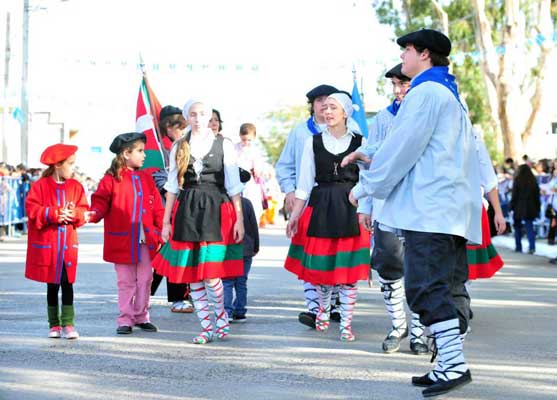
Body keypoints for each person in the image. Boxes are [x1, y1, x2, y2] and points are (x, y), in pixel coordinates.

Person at [347, 29, 481, 396]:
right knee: (445, 286)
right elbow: (419, 151)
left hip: (430, 211)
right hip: (447, 210)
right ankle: (447, 364)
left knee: (424, 286)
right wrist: (372, 160)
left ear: (424, 54)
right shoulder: (448, 94)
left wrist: (364, 188)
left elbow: (402, 151)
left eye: (407, 50)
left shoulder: (425, 94)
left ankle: (453, 364)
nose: (403, 59)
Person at [152, 99, 245, 345]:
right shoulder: (180, 145)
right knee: (193, 275)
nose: (198, 118)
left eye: (203, 114)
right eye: (193, 114)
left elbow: (234, 185)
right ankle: (206, 327)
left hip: (217, 207)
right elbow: (172, 186)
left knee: (212, 274)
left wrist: (240, 219)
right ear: (187, 118)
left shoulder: (223, 144)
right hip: (188, 209)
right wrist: (166, 221)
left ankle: (221, 316)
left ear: (210, 116)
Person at [285, 92, 370, 342]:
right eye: (325, 108)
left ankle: (346, 323)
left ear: (345, 112)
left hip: (350, 208)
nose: (327, 111)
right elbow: (304, 183)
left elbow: (368, 179)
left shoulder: (361, 142)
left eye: (334, 107)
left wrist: (366, 208)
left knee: (349, 274)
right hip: (321, 206)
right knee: (322, 270)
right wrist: (295, 216)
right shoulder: (312, 142)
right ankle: (322, 309)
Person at [356, 63, 428, 355]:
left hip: (421, 207)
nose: (398, 91)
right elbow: (369, 160)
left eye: (404, 84)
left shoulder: (427, 112)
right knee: (389, 267)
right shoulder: (384, 118)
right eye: (395, 85)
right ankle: (398, 325)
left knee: (421, 270)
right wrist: (365, 204)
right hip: (387, 206)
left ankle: (421, 331)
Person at [276, 84, 343, 329]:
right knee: (310, 253)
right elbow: (285, 166)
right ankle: (314, 308)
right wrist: (290, 190)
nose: (325, 106)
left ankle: (333, 304)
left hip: (339, 201)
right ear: (312, 105)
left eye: (330, 101)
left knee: (335, 251)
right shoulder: (300, 133)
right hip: (307, 201)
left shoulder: (351, 131)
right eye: (320, 101)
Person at [88, 132, 164, 335]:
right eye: (140, 151)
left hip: (146, 240)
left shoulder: (147, 178)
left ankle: (141, 316)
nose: (144, 155)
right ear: (126, 153)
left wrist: (162, 228)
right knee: (125, 281)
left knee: (147, 278)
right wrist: (93, 214)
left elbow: (157, 207)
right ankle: (125, 319)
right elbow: (100, 201)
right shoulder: (111, 179)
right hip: (122, 240)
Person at [24, 143, 89, 339]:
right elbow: (32, 209)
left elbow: (84, 211)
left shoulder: (76, 187)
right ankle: (54, 325)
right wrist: (54, 214)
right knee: (52, 284)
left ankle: (68, 323)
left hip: (68, 245)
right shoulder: (40, 186)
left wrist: (74, 214)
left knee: (67, 282)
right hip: (49, 246)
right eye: (70, 164)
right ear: (58, 165)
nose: (73, 168)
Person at [150, 105, 193, 314]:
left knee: (174, 253)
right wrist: (168, 189)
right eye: (179, 128)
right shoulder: (157, 148)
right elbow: (156, 174)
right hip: (161, 207)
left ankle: (179, 296)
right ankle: (144, 294)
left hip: (184, 205)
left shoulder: (188, 144)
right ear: (168, 126)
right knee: (164, 253)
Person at [223, 169, 259, 323]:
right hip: (246, 249)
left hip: (228, 250)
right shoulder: (247, 203)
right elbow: (253, 227)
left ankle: (227, 312)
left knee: (227, 282)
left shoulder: (222, 203)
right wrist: (255, 246)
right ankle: (240, 311)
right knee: (241, 281)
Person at [235, 123, 266, 225]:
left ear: (254, 137)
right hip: (236, 180)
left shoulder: (255, 151)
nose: (246, 142)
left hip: (250, 181)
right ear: (240, 136)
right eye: (244, 140)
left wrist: (257, 170)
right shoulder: (235, 148)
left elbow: (258, 169)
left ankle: (252, 226)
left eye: (249, 140)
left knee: (252, 205)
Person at [510, 164, 541, 254]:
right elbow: (537, 196)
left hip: (518, 207)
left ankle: (518, 247)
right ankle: (532, 247)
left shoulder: (517, 180)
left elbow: (514, 195)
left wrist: (511, 206)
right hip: (530, 207)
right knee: (529, 227)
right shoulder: (533, 181)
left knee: (517, 227)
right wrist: (537, 208)